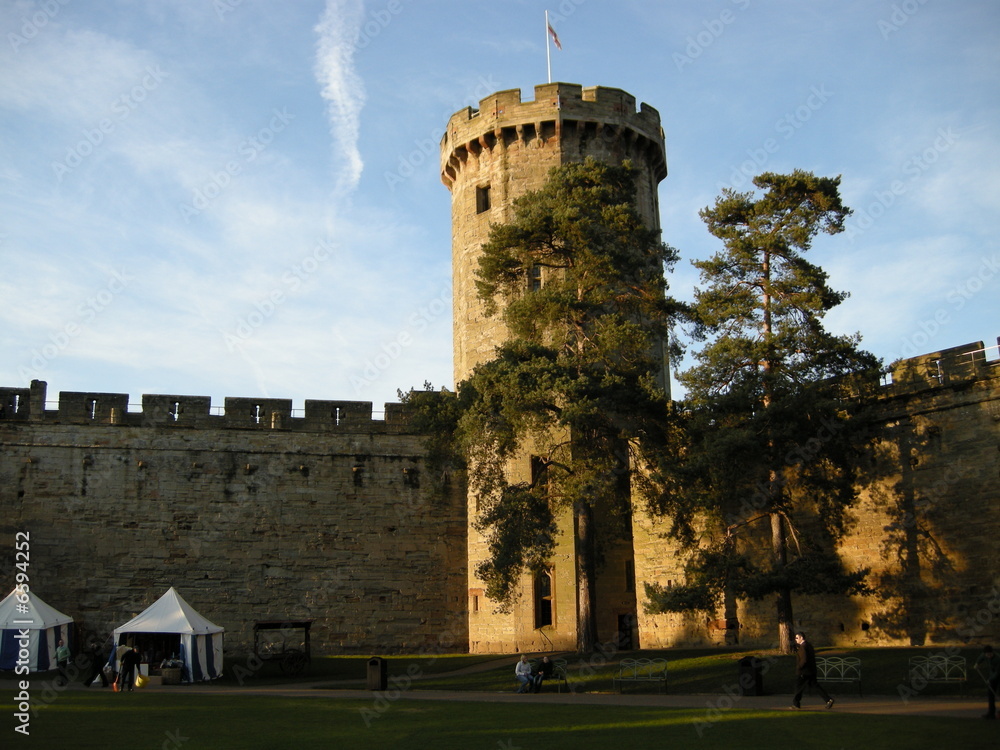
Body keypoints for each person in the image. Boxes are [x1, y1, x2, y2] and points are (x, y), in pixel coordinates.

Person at [791, 632, 834, 710]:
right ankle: (828, 699)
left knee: (798, 687)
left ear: (801, 638)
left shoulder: (803, 647)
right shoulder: (809, 645)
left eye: (797, 638)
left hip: (804, 672)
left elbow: (804, 660)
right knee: (815, 686)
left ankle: (796, 704)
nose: (796, 640)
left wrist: (799, 667)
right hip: (811, 670)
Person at [974, 645, 1000, 719]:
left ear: (992, 653)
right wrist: (977, 664)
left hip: (998, 674)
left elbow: (997, 672)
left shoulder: (998, 659)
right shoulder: (984, 655)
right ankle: (991, 713)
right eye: (987, 655)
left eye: (990, 654)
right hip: (993, 674)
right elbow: (981, 657)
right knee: (990, 694)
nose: (989, 656)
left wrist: (990, 679)